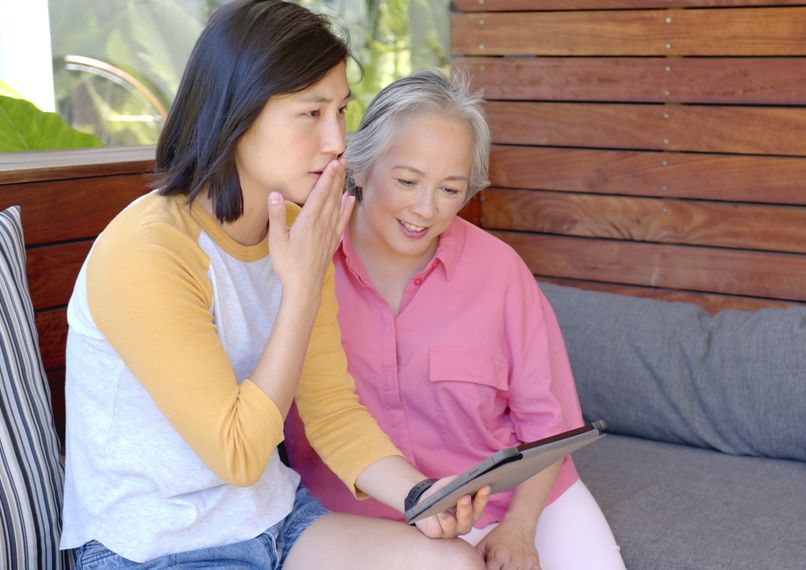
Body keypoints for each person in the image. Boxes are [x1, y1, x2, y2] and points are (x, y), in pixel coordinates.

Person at [59, 2, 489, 568]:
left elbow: (331, 409)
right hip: (155, 547)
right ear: (239, 115)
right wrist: (303, 287)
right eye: (311, 113)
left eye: (341, 110)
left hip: (275, 521)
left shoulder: (294, 232)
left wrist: (420, 497)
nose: (338, 140)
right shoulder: (149, 249)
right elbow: (236, 454)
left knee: (452, 560)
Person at [284, 70, 626, 569]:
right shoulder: (305, 252)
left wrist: (519, 529)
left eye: (450, 189)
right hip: (361, 516)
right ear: (360, 165)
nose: (426, 209)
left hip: (512, 499)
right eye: (407, 181)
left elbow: (548, 425)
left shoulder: (500, 270)